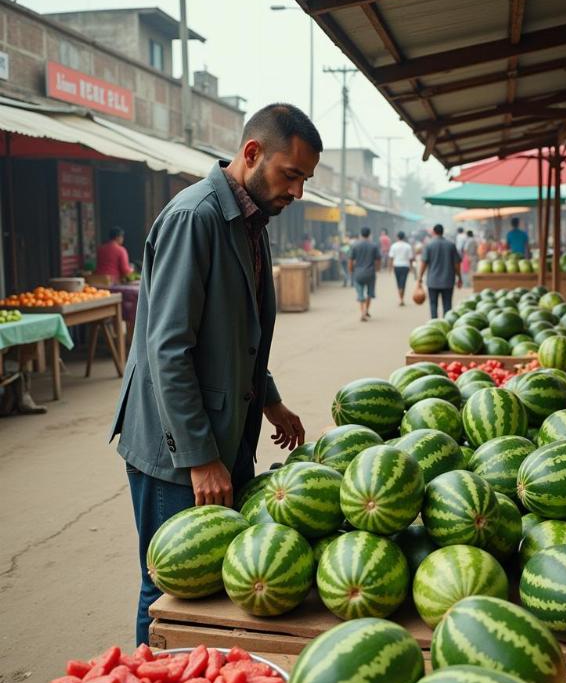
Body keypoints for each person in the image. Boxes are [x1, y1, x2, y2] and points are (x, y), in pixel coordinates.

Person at [110, 103, 321, 645]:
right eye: (291, 174)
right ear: (252, 154)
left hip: (222, 434)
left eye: (305, 179)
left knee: (214, 587)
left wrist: (269, 399)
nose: (297, 191)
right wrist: (202, 458)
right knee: (167, 589)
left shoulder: (251, 219)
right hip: (175, 447)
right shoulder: (195, 217)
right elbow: (169, 348)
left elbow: (234, 335)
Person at [417, 224, 462, 318]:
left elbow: (424, 263)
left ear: (434, 232)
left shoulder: (429, 245)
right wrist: (459, 277)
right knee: (447, 305)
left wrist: (420, 278)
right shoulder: (451, 245)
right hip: (448, 281)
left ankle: (434, 324)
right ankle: (447, 324)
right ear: (443, 232)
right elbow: (456, 263)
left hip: (433, 281)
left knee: (433, 304)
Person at [350, 227, 381, 321]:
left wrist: (351, 270)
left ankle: (363, 311)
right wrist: (377, 269)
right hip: (370, 273)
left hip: (358, 273)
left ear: (360, 234)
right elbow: (378, 260)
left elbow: (350, 260)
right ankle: (366, 310)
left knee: (360, 294)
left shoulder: (355, 245)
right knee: (369, 293)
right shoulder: (374, 246)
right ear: (369, 234)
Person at [389, 231, 414, 306]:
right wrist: (412, 267)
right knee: (403, 282)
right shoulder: (408, 246)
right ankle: (402, 298)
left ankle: (401, 298)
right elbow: (410, 258)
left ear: (397, 237)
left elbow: (391, 258)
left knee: (398, 282)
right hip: (405, 266)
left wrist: (390, 268)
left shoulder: (394, 246)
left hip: (397, 266)